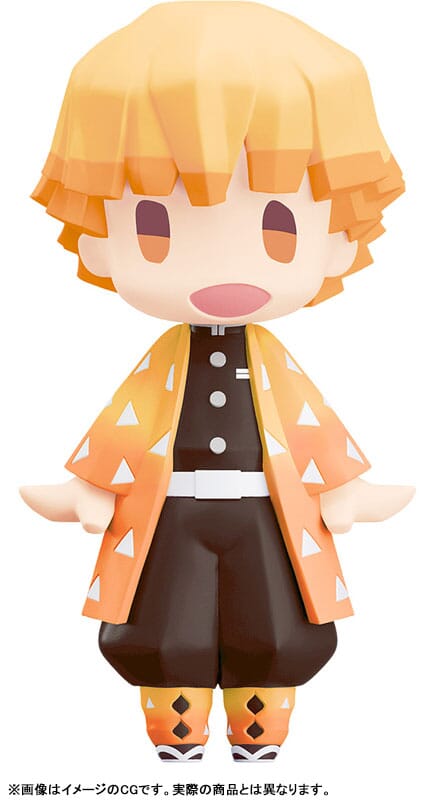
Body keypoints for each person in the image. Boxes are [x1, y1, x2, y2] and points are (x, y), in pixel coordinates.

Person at [20, 1, 413, 762]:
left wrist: (342, 490)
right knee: (163, 620)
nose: (222, 271)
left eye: (278, 224)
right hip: (166, 514)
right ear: (98, 242)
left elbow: (310, 428)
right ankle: (177, 722)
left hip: (270, 512)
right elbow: (127, 425)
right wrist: (89, 489)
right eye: (155, 227)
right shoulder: (159, 369)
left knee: (275, 621)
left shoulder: (277, 370)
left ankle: (260, 723)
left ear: (338, 237)